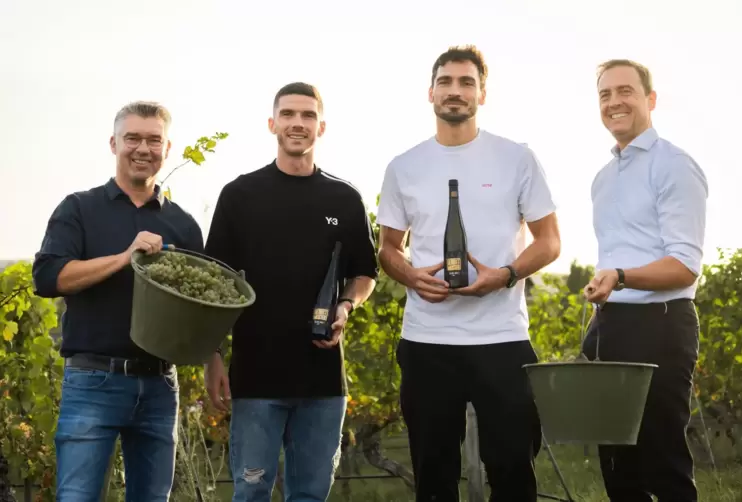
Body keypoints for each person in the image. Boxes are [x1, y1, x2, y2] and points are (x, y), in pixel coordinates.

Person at [376, 45, 562, 502]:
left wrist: (506, 274)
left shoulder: (517, 158)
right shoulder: (404, 166)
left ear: (482, 93)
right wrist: (411, 277)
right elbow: (387, 249)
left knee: (513, 470)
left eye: (466, 83)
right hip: (427, 343)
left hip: (502, 338)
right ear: (431, 92)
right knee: (434, 476)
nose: (455, 92)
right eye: (446, 82)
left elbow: (549, 241)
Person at [202, 82, 379, 502]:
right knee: (250, 493)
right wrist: (212, 358)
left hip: (322, 383)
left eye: (307, 115)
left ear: (321, 126)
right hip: (255, 379)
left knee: (310, 496)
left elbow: (365, 272)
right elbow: (213, 284)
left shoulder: (345, 197)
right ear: (272, 123)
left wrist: (347, 303)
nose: (297, 123)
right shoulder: (239, 196)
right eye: (288, 114)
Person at [31, 101, 205, 501]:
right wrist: (125, 258)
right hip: (94, 380)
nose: (143, 148)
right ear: (114, 143)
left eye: (153, 140)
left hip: (161, 385)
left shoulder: (182, 223)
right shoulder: (78, 208)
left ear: (167, 148)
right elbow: (48, 277)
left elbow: (199, 306)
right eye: (133, 138)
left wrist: (213, 363)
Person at [583, 59, 708, 502]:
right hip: (612, 329)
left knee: (664, 464)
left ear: (650, 99)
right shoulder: (602, 179)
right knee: (618, 470)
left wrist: (619, 276)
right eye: (605, 94)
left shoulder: (674, 166)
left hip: (661, 327)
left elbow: (685, 265)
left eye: (625, 91)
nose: (614, 102)